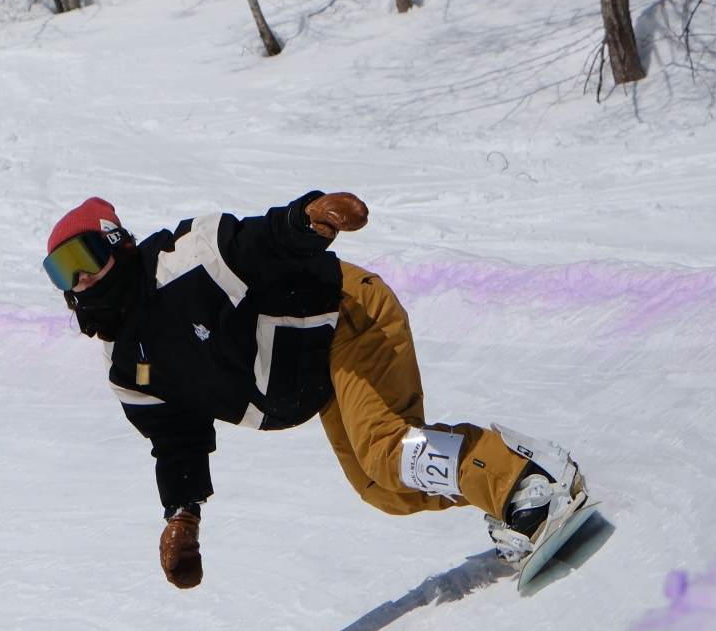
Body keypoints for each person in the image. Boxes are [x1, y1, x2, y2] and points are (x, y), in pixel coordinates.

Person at [44, 192, 589, 588]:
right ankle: (504, 484)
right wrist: (182, 515)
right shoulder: (125, 365)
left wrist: (308, 219)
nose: (78, 280)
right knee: (382, 489)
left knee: (387, 451)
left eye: (83, 258)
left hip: (345, 314)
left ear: (116, 245)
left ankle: (526, 484)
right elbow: (175, 439)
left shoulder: (181, 263)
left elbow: (256, 243)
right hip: (315, 370)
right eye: (61, 271)